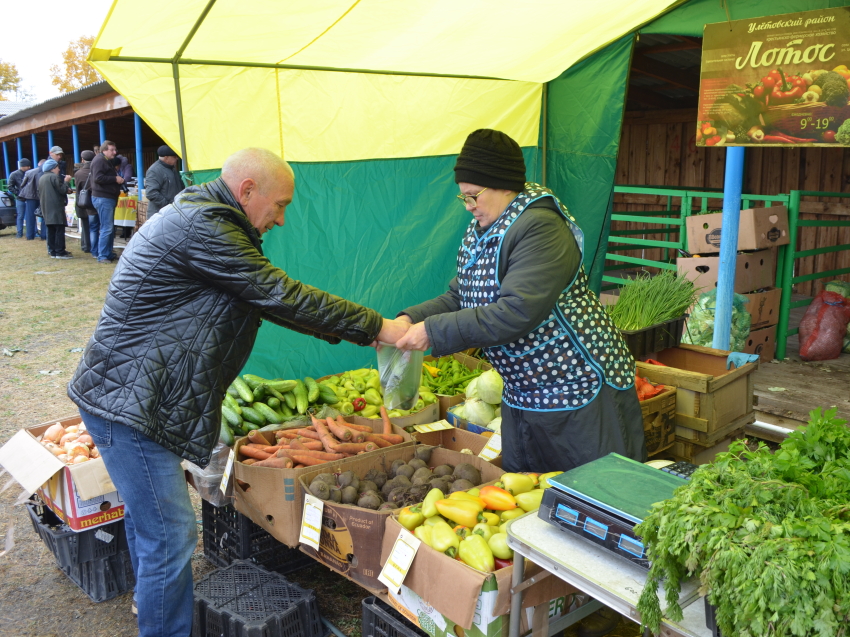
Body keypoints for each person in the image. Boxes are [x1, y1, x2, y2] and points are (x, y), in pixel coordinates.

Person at [68, 147, 410, 637]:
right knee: (170, 535)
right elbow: (280, 294)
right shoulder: (205, 226)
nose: (283, 219)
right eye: (280, 205)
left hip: (133, 397)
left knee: (153, 527)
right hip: (130, 406)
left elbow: (266, 299)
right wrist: (378, 327)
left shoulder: (204, 217)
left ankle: (153, 606)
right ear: (247, 191)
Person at [396, 130, 644, 637]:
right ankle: (539, 609)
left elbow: (518, 310)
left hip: (577, 389)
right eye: (463, 197)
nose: (468, 207)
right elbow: (459, 296)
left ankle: (601, 615)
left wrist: (433, 334)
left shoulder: (539, 226)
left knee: (592, 505)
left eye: (473, 196)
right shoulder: (485, 225)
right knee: (531, 502)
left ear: (503, 185)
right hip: (528, 390)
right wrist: (409, 319)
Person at [90, 140, 123, 263]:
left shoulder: (104, 160)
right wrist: (115, 178)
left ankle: (107, 253)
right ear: (104, 150)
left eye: (115, 150)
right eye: (112, 150)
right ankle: (103, 255)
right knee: (106, 228)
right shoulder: (99, 161)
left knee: (108, 228)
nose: (114, 152)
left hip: (106, 197)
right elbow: (98, 178)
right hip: (103, 198)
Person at [38, 159, 73, 258]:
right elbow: (62, 190)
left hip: (46, 207)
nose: (59, 169)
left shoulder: (42, 178)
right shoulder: (54, 177)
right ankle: (60, 251)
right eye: (57, 167)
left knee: (51, 230)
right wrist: (66, 182)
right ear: (53, 168)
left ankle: (52, 251)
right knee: (59, 230)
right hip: (56, 207)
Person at [144, 145, 183, 217]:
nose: (177, 158)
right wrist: (168, 206)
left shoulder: (172, 169)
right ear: (166, 157)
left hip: (171, 212)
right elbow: (151, 193)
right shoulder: (154, 170)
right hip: (160, 214)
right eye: (174, 157)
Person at [17, 158, 48, 241]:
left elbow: (22, 184)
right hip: (42, 195)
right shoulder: (46, 172)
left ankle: (30, 235)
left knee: (30, 216)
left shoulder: (29, 172)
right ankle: (44, 235)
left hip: (30, 196)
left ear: (39, 164)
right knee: (45, 215)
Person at [73, 151, 96, 253]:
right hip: (95, 200)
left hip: (83, 201)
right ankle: (95, 246)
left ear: (82, 160)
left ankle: (86, 245)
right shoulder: (97, 170)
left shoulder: (78, 173)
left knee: (85, 224)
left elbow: (78, 189)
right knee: (97, 226)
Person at [7, 158, 30, 238]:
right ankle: (19, 233)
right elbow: (10, 186)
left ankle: (32, 232)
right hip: (20, 199)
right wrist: (18, 193)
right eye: (27, 166)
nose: (29, 167)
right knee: (20, 216)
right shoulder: (14, 174)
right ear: (22, 166)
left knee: (30, 216)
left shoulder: (30, 173)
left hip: (29, 198)